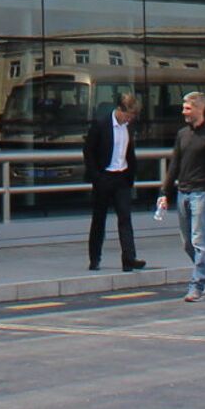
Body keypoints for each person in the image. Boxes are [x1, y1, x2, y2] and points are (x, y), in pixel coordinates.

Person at [158, 88, 205, 301]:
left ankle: (196, 286)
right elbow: (174, 164)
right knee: (187, 243)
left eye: (187, 108)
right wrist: (164, 192)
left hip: (201, 194)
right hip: (182, 193)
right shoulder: (182, 134)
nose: (183, 112)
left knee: (199, 242)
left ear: (199, 109)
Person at [81, 91, 147, 274]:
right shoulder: (101, 124)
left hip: (122, 177)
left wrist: (130, 175)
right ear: (120, 109)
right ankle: (95, 258)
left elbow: (129, 152)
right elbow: (88, 151)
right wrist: (96, 176)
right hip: (104, 177)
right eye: (128, 115)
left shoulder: (128, 127)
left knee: (125, 218)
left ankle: (129, 258)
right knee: (99, 219)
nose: (129, 119)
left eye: (132, 117)